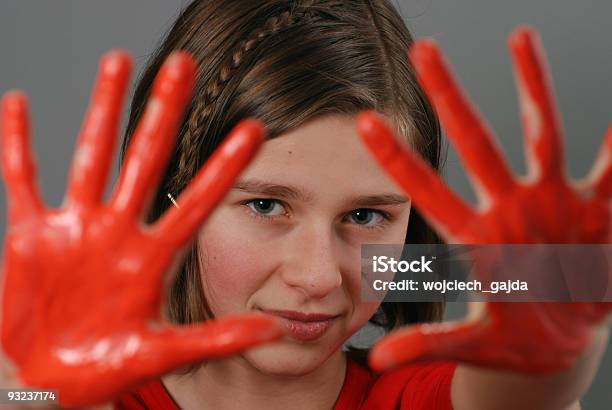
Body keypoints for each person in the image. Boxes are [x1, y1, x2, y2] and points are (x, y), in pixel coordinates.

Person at [0, 0, 611, 409]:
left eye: (367, 215)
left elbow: (519, 392)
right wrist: (27, 390)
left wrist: (555, 343)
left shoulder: (413, 396)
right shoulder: (89, 391)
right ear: (176, 197)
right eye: (266, 205)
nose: (317, 277)